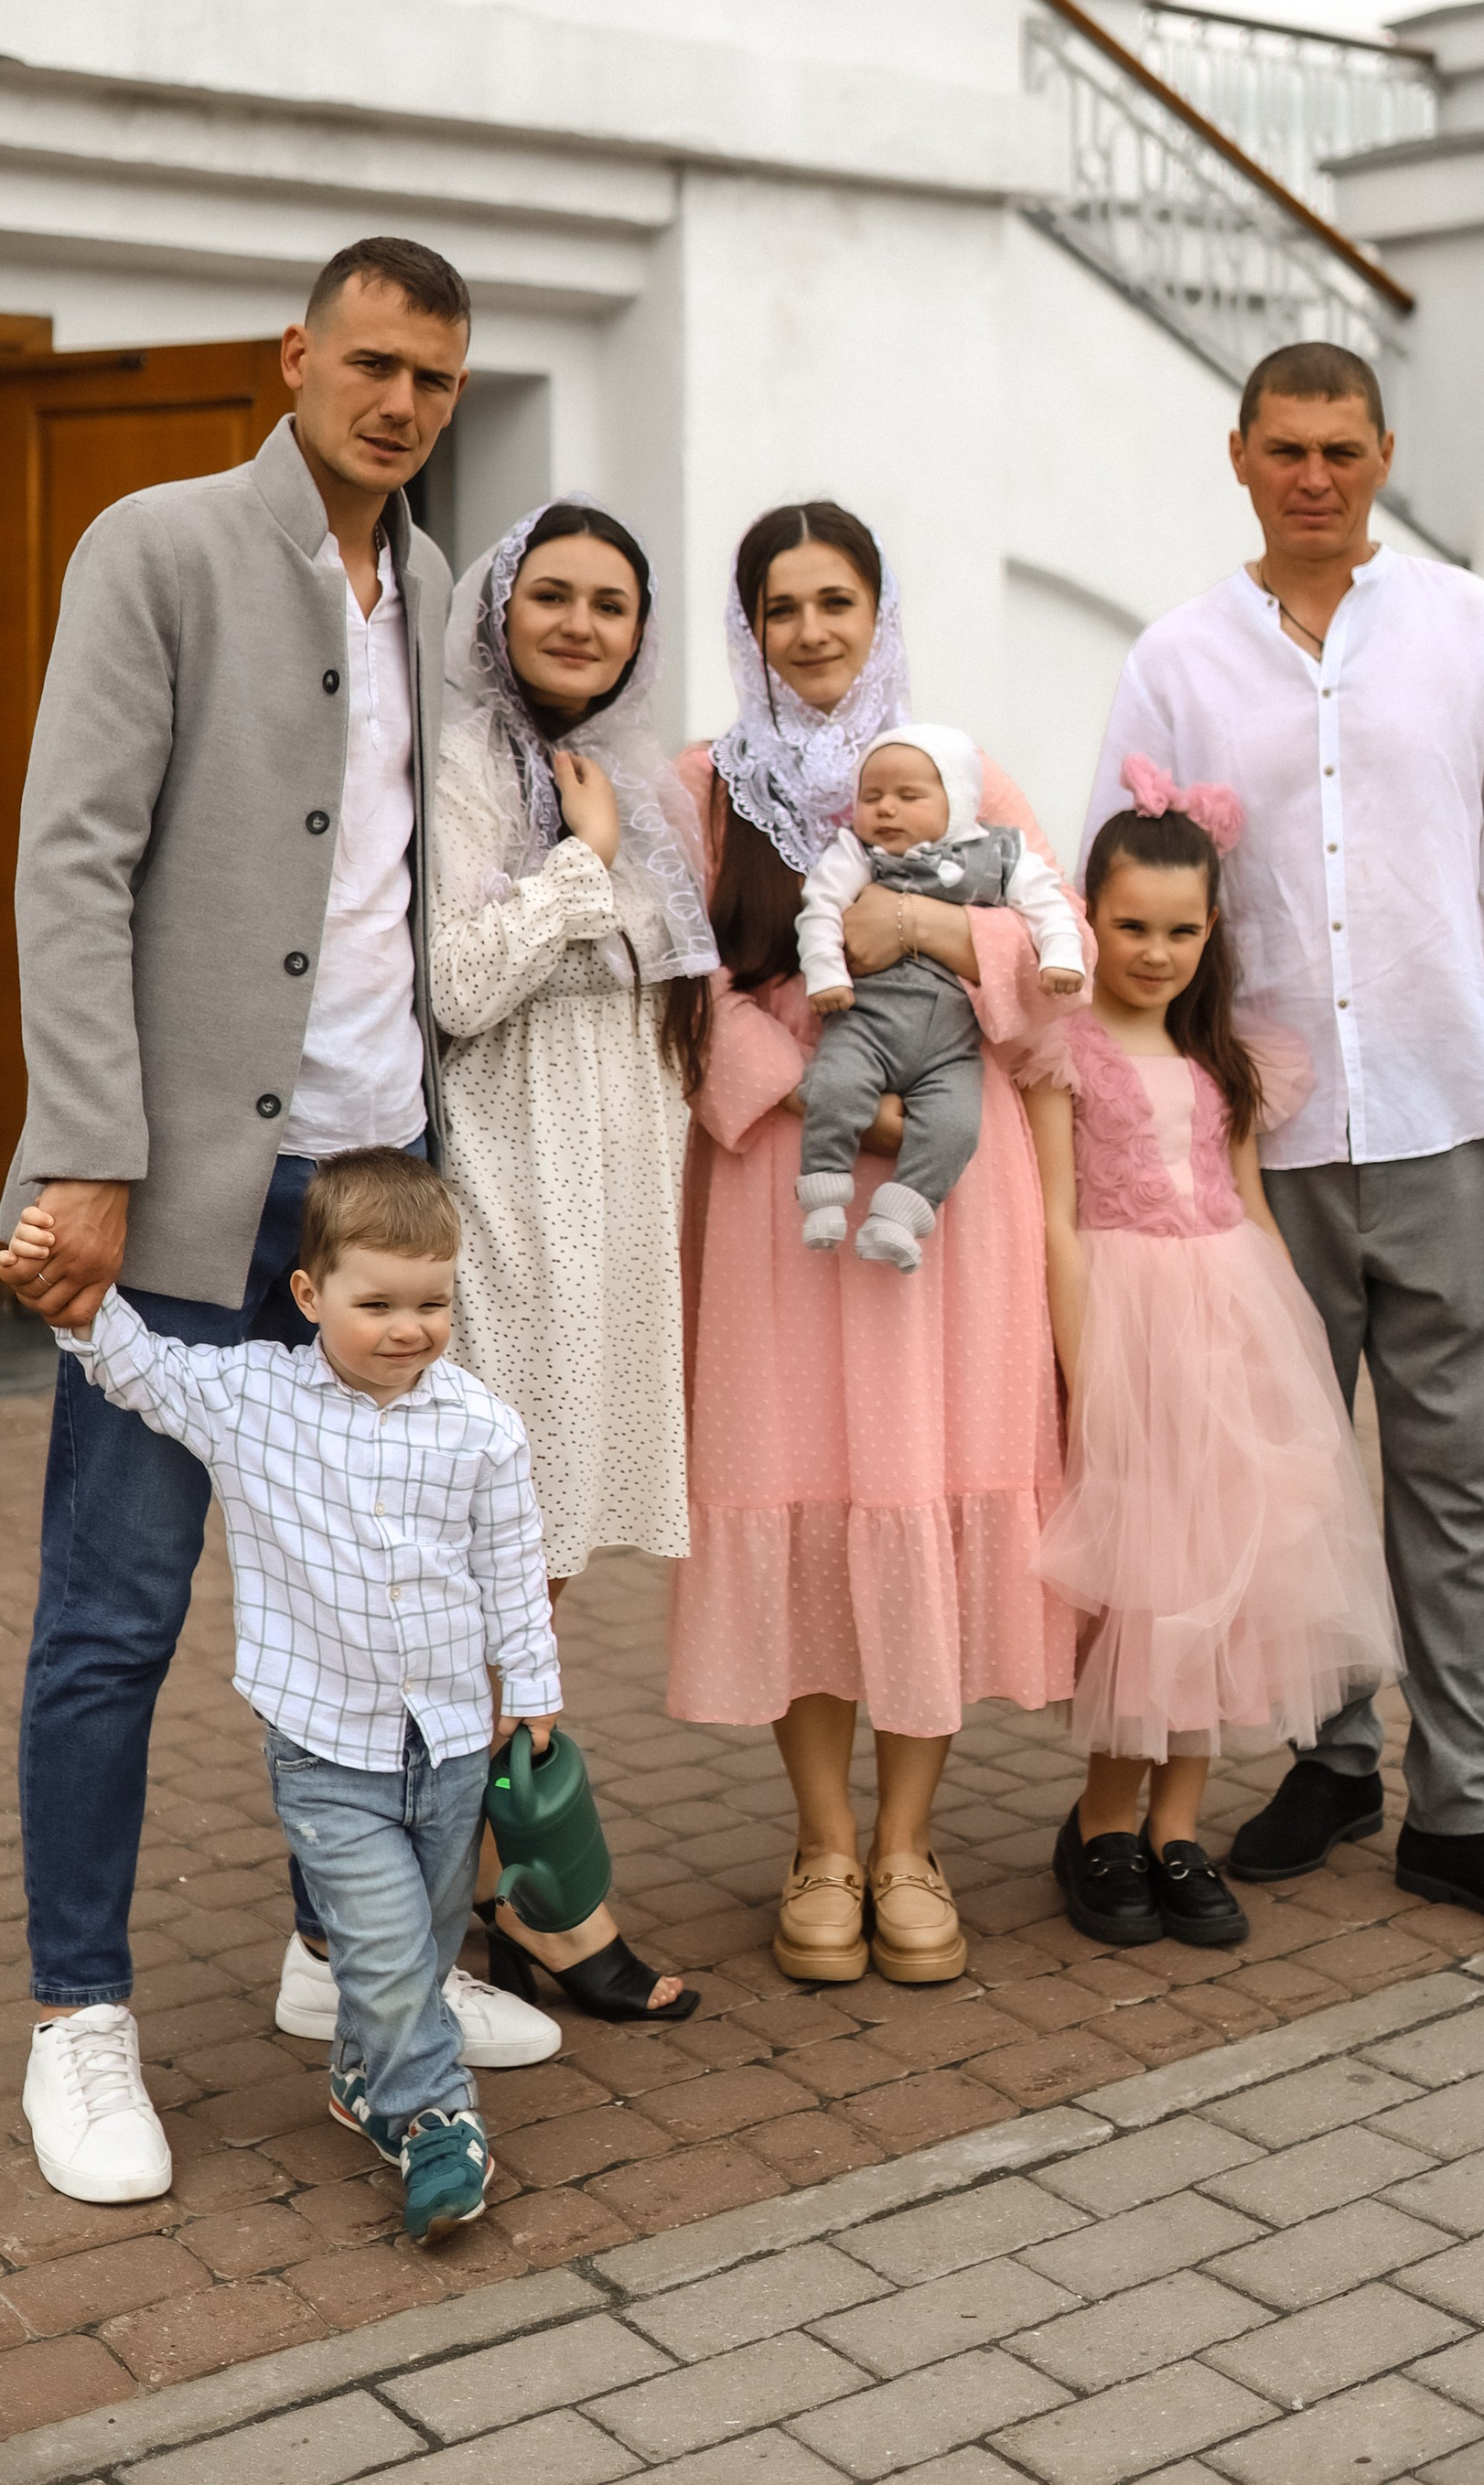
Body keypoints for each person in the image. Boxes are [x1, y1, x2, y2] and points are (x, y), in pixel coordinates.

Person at [0, 233, 554, 2212]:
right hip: (178, 1197)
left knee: (379, 1616)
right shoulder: (157, 545)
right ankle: (79, 2018)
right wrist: (85, 1153)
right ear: (297, 355)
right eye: (373, 363)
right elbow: (69, 864)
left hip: (364, 1192)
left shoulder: (430, 596)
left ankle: (347, 1972)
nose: (400, 402)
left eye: (436, 378)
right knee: (116, 1622)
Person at [1085, 338, 1484, 1962]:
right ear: (1238, 455)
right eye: (1286, 449)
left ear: (1383, 453)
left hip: (1451, 1113)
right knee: (1290, 1473)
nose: (1315, 475)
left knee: (1453, 1477)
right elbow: (1129, 883)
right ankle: (1329, 1764)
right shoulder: (1176, 657)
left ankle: (1460, 1806)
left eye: (1343, 449)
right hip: (1259, 1138)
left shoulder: (1471, 630)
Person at [0, 1150, 557, 2246]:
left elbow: (511, 1564)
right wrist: (69, 1281)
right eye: (378, 1303)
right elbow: (140, 1369)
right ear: (308, 1297)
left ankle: (362, 2065)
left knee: (427, 1941)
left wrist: (531, 1687)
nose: (409, 1328)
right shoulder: (254, 1397)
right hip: (325, 1744)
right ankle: (431, 2122)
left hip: (445, 1742)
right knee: (391, 1946)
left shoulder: (483, 1427)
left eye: (433, 1303)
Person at [668, 503, 1079, 1990]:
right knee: (807, 1491)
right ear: (751, 628)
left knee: (919, 1482)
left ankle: (912, 1842)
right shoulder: (702, 790)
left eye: (838, 600)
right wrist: (818, 1092)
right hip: (787, 1190)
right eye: (783, 608)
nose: (814, 631)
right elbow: (677, 995)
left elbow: (1055, 960)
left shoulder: (962, 771)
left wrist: (914, 928)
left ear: (880, 611)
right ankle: (821, 1841)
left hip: (947, 1213)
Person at [1027, 772, 1398, 1955]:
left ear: (1211, 930)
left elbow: (1250, 1212)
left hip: (1227, 1334)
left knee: (1226, 1593)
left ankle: (1179, 1830)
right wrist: (1090, 1381)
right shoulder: (1064, 1048)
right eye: (1131, 925)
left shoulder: (1225, 1059)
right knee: (1149, 1588)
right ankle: (1101, 1826)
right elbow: (1053, 1222)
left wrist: (1285, 1360)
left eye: (1182, 929)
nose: (1156, 951)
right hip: (1128, 1332)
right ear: (1088, 915)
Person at [430, 496, 712, 2023]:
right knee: (503, 1557)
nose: (583, 624)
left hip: (613, 1183)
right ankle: (551, 1906)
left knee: (535, 1561)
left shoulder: (627, 778)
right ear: (500, 607)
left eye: (612, 603)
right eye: (555, 594)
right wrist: (582, 865)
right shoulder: (469, 763)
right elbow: (464, 983)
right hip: (512, 1173)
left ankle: (504, 1895)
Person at [797, 722, 1084, 1269]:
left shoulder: (1001, 851)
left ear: (958, 800)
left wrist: (1060, 956)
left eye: (908, 797)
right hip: (865, 1020)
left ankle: (901, 1215)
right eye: (872, 797)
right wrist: (827, 974)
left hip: (952, 1043)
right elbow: (821, 908)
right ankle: (825, 1189)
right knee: (834, 1085)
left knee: (956, 1127)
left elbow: (1050, 905)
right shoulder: (858, 852)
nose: (886, 810)